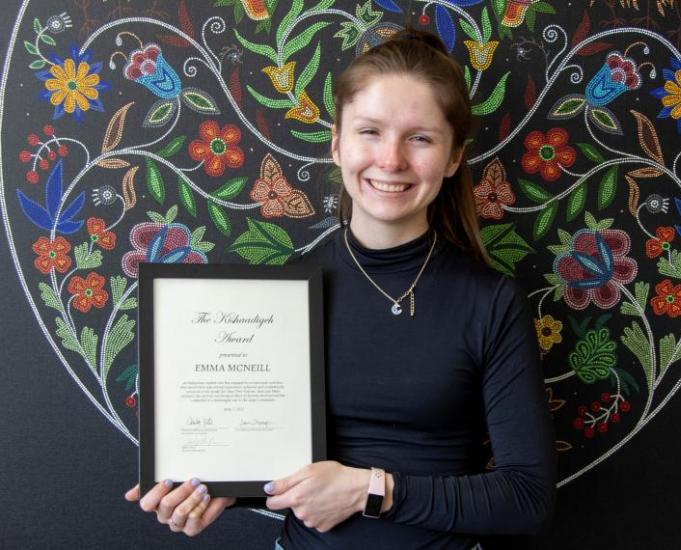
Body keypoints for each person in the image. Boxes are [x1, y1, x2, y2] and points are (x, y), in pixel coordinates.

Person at [126, 28, 556, 549]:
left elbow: (528, 500)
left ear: (452, 158)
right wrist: (216, 488)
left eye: (419, 137)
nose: (391, 160)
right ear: (337, 142)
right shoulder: (278, 297)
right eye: (369, 131)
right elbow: (275, 460)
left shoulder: (491, 301)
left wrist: (371, 491)